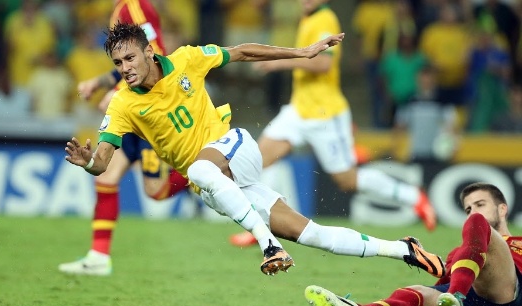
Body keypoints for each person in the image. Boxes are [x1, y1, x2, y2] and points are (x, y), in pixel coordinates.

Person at [63, 22, 446, 279]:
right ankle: (404, 250)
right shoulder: (122, 104)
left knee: (197, 170)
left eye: (130, 58)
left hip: (235, 148)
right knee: (314, 235)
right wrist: (87, 164)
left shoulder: (186, 60)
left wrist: (303, 52)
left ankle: (268, 247)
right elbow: (103, 164)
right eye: (117, 63)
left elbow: (241, 52)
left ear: (149, 51)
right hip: (218, 187)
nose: (125, 68)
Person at [229, 0, 436, 248]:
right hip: (298, 109)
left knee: (347, 179)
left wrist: (280, 62)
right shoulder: (307, 18)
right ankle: (261, 227)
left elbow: (323, 63)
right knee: (255, 162)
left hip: (325, 114)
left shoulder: (325, 20)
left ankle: (413, 196)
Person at [58, 0, 189, 276]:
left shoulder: (135, 6)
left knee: (155, 192)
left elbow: (153, 57)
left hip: (148, 110)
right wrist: (102, 83)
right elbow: (129, 58)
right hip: (131, 112)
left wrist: (116, 91)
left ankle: (198, 172)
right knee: (106, 178)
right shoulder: (124, 7)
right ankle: (99, 257)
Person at [304, 182, 522, 306]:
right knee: (414, 292)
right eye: (468, 209)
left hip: (509, 298)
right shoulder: (460, 253)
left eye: (480, 205)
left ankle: (456, 297)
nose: (473, 211)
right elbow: (441, 284)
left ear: (502, 209)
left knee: (477, 225)